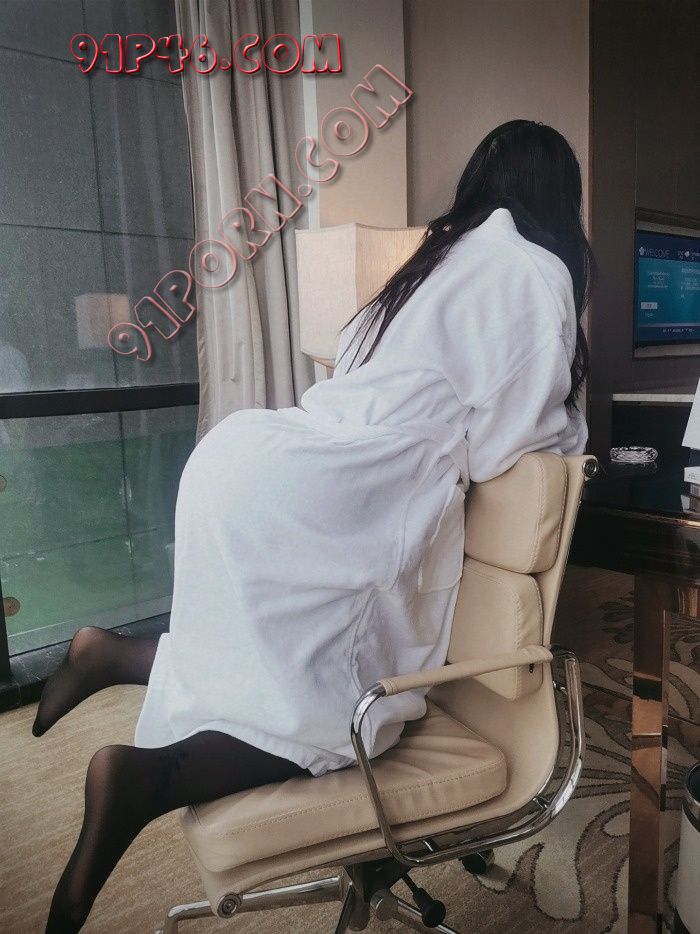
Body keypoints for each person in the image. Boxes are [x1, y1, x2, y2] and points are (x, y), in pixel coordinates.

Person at [32, 119, 592, 932]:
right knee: (334, 718)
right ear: (560, 199)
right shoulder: (536, 272)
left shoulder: (427, 264)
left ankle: (110, 653)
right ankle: (145, 781)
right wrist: (570, 429)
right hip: (344, 489)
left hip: (255, 456)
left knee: (260, 659)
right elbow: (513, 441)